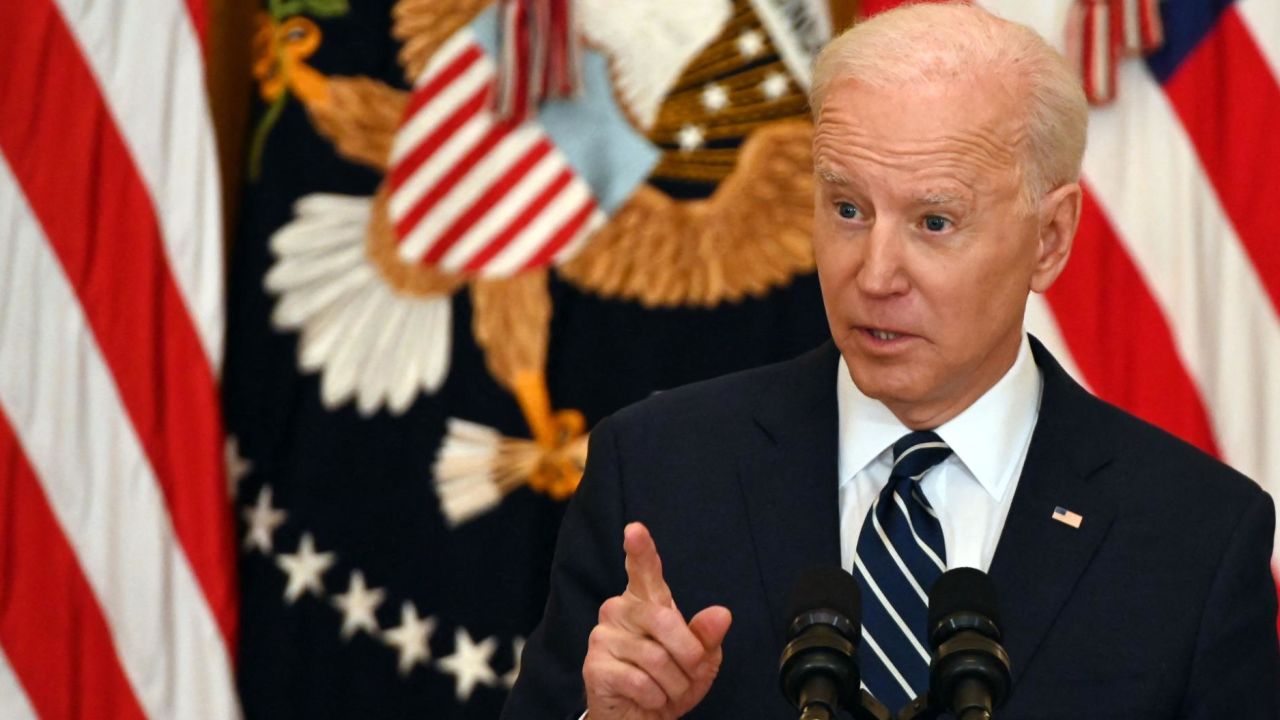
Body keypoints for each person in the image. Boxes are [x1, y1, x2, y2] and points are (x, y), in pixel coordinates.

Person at [501, 4, 1280, 719]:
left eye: (934, 221)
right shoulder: (658, 471)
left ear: (1051, 237)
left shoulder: (1197, 539)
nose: (874, 276)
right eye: (847, 209)